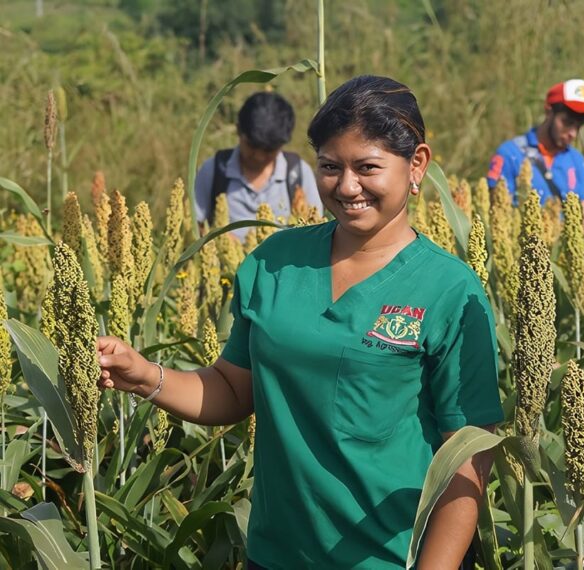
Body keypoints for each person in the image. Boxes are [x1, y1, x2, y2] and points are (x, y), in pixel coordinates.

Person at [97, 75, 504, 569]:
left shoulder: (450, 290)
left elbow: (468, 455)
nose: (347, 186)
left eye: (367, 167)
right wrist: (146, 377)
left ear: (416, 164)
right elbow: (231, 389)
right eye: (330, 167)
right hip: (274, 555)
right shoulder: (275, 262)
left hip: (388, 560)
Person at [193, 91, 323, 240]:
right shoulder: (214, 170)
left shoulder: (298, 173)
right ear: (238, 130)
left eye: (269, 150)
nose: (259, 157)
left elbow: (315, 229)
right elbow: (196, 225)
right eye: (252, 146)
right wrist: (222, 242)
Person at [486, 78, 584, 231]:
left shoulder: (577, 160)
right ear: (549, 112)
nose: (573, 133)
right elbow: (497, 214)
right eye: (567, 122)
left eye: (579, 126)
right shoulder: (510, 154)